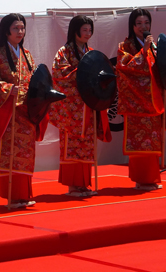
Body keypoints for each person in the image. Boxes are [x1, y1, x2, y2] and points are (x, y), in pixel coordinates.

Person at [0, 13, 47, 208]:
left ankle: (23, 195)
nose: (20, 31)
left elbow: (35, 80)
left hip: (26, 112)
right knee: (10, 153)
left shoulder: (27, 54)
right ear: (6, 30)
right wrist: (8, 89)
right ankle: (12, 195)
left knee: (25, 153)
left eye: (22, 28)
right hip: (7, 112)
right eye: (16, 28)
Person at [49, 15, 112, 197]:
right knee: (72, 144)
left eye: (89, 30)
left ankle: (84, 184)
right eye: (84, 30)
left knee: (87, 145)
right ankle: (73, 186)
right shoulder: (64, 52)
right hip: (72, 109)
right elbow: (59, 74)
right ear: (75, 30)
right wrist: (83, 72)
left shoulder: (91, 52)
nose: (87, 33)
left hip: (88, 105)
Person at [116, 8, 166, 191]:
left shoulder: (155, 47)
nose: (144, 27)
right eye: (139, 23)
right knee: (139, 143)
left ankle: (151, 178)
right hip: (136, 103)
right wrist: (144, 51)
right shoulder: (125, 46)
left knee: (152, 141)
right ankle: (141, 179)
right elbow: (124, 68)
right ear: (132, 26)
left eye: (146, 23)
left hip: (152, 100)